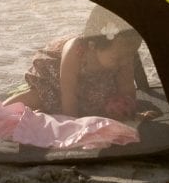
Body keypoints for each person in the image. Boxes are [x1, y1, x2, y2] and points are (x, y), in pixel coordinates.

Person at [8, 28, 147, 120]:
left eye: (130, 55)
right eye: (117, 58)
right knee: (41, 96)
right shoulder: (76, 50)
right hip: (59, 81)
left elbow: (127, 87)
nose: (125, 61)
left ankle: (47, 111)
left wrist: (132, 112)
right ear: (93, 46)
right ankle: (0, 110)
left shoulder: (123, 55)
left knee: (105, 105)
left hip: (95, 88)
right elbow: (68, 93)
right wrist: (73, 124)